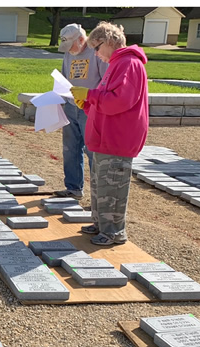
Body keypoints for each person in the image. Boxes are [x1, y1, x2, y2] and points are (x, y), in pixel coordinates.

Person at [70, 21, 148, 247]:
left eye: (97, 47)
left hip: (117, 140)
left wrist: (91, 95)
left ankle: (114, 231)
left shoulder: (129, 63)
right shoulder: (117, 64)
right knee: (101, 185)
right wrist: (87, 103)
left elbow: (121, 101)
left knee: (113, 186)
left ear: (110, 42)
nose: (95, 54)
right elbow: (104, 102)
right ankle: (101, 223)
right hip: (104, 139)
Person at [54, 24, 107, 203]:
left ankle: (97, 197)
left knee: (92, 151)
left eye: (71, 46)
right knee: (70, 149)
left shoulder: (96, 53)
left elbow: (105, 82)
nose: (69, 50)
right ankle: (73, 188)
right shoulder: (69, 53)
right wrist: (60, 100)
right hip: (70, 105)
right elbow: (63, 78)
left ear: (82, 40)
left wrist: (92, 99)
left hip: (90, 108)